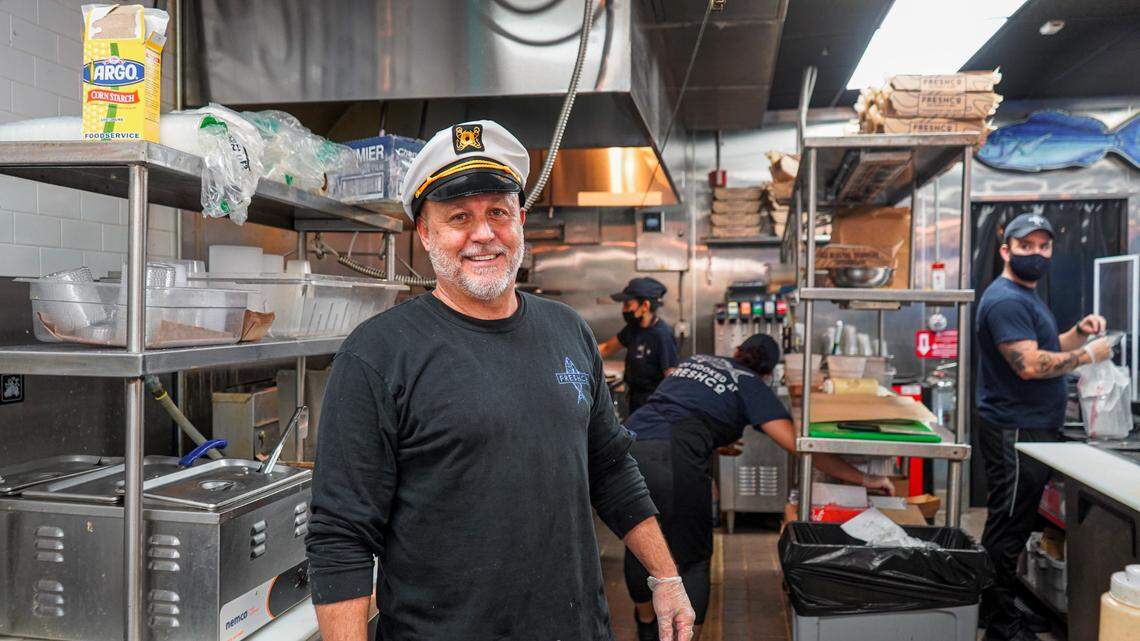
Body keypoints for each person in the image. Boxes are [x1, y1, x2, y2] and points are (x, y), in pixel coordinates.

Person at [305, 120, 696, 641]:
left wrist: (665, 575)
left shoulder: (568, 331)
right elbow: (342, 534)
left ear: (520, 220)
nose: (483, 234)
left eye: (497, 212)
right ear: (424, 232)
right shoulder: (377, 353)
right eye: (458, 217)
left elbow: (611, 468)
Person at [621, 334, 895, 641]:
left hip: (628, 444)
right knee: (693, 558)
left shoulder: (696, 360)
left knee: (641, 540)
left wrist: (710, 441)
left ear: (737, 350)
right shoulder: (752, 384)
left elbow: (682, 407)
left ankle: (645, 628)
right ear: (768, 371)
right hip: (674, 455)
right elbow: (800, 446)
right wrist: (865, 479)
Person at [975, 212, 1112, 641]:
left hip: (1030, 427)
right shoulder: (1007, 300)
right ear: (1005, 250)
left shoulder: (1025, 296)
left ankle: (1002, 608)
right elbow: (1030, 366)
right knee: (1008, 525)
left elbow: (1044, 348)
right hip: (1016, 428)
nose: (1036, 254)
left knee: (1015, 523)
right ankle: (997, 622)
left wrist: (1076, 334)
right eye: (1026, 246)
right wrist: (1090, 355)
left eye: (1043, 246)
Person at [598, 277, 680, 414]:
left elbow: (671, 378)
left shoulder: (662, 335)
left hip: (654, 406)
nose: (624, 310)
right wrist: (577, 353)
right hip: (635, 401)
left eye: (628, 305)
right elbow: (607, 348)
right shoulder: (633, 328)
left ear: (645, 306)